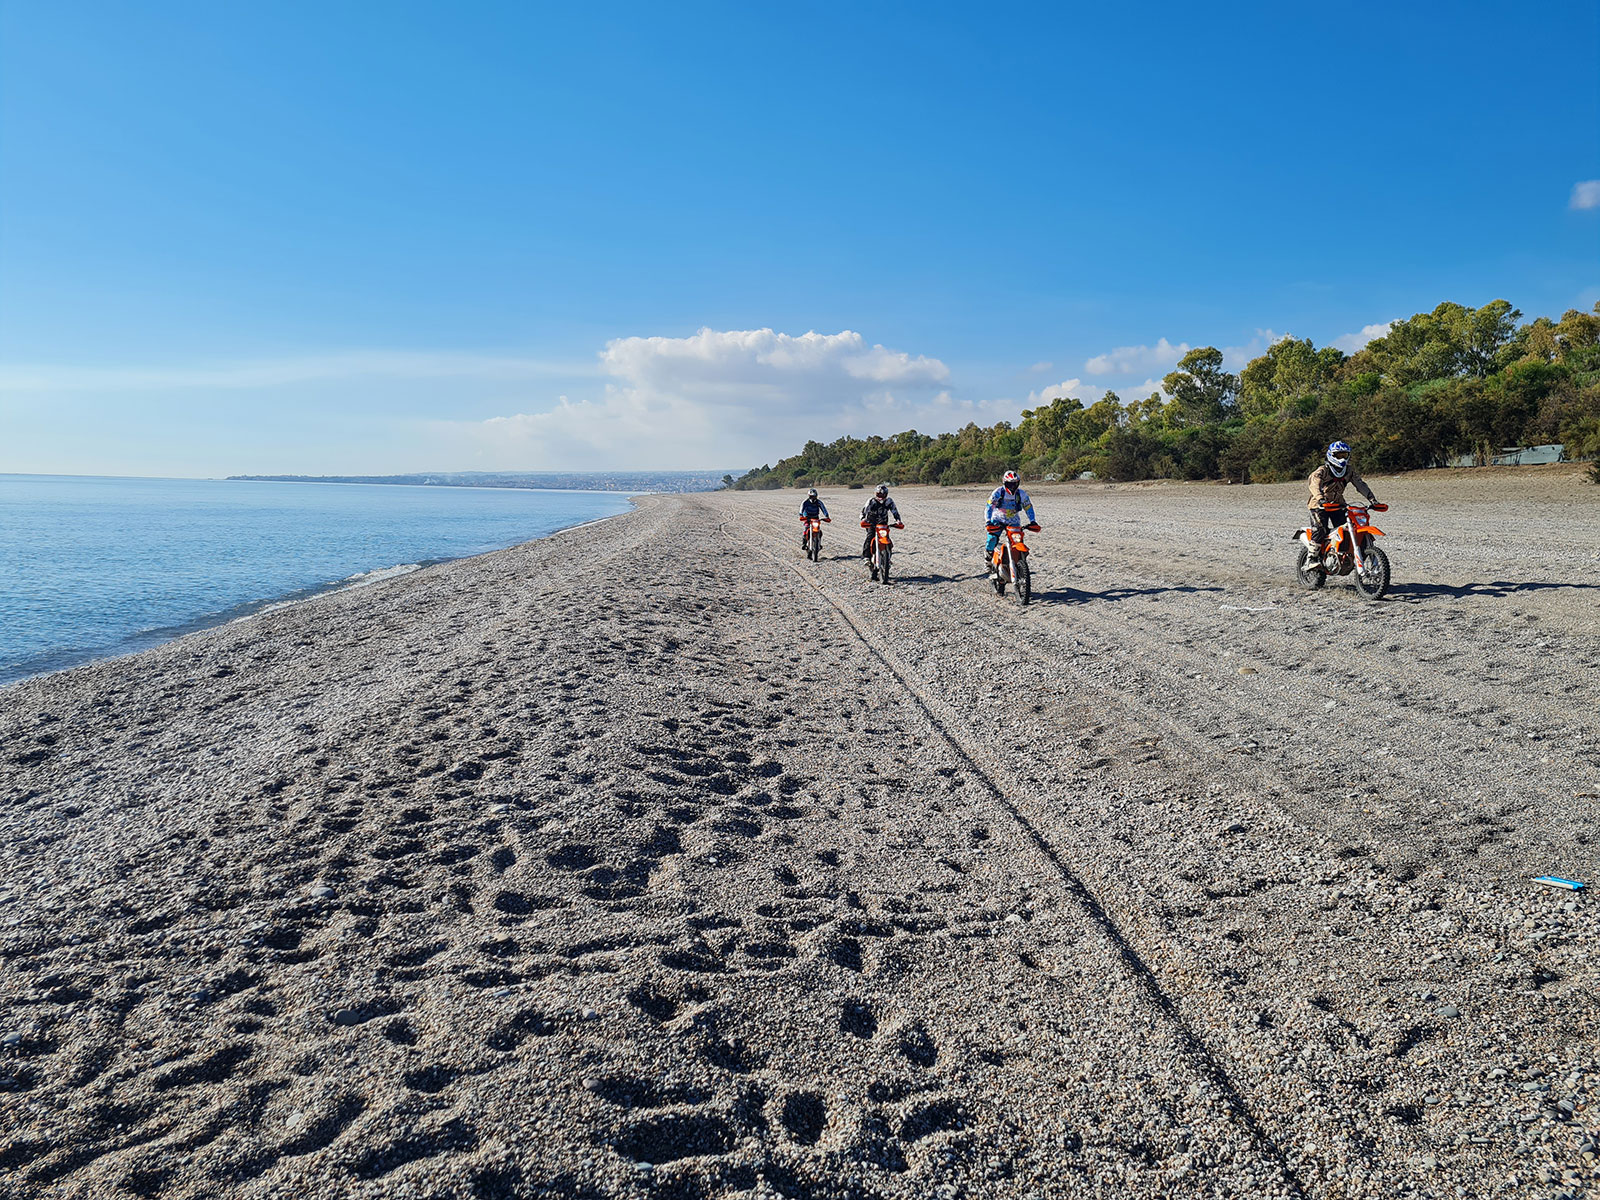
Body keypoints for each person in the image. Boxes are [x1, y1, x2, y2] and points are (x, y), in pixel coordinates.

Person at [1306, 441, 1378, 557]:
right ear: (1331, 455)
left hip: (1338, 504)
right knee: (1320, 530)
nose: (1342, 458)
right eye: (1338, 455)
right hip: (1318, 505)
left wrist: (1372, 499)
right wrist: (1320, 498)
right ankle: (1312, 558)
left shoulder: (1349, 471)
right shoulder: (1322, 471)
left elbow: (1360, 485)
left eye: (1344, 455)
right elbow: (1314, 485)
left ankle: (1345, 554)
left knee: (1348, 529)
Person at [984, 470, 1037, 573]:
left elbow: (1028, 507)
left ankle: (1020, 563)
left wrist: (1033, 521)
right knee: (992, 539)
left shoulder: (1021, 494)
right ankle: (988, 561)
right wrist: (988, 521)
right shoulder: (998, 492)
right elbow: (989, 507)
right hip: (997, 519)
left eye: (1015, 483)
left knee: (1018, 541)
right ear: (1004, 483)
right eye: (1010, 484)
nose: (1013, 486)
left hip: (1013, 521)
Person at [860, 483, 902, 559]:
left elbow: (894, 511)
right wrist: (863, 519)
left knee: (886, 537)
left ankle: (888, 557)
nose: (880, 496)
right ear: (875, 493)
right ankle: (866, 557)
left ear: (886, 494)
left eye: (882, 494)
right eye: (878, 494)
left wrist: (898, 520)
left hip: (883, 523)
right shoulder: (871, 501)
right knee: (870, 536)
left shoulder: (889, 501)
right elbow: (864, 511)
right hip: (871, 522)